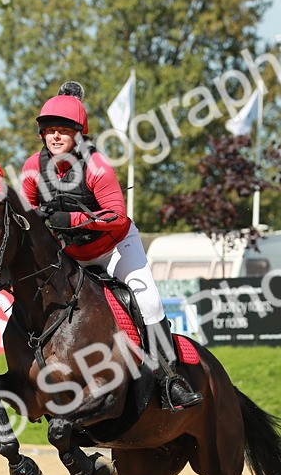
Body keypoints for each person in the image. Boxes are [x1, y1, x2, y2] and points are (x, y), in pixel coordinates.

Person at [20, 82, 200, 410]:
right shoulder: (33, 168)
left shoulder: (97, 166)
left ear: (79, 134)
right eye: (49, 131)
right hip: (71, 256)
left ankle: (170, 378)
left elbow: (117, 216)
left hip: (115, 247)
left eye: (64, 130)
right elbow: (27, 218)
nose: (56, 136)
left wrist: (72, 220)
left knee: (147, 300)